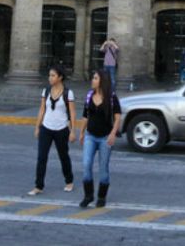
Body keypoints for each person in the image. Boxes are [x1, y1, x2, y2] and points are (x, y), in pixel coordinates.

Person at [28, 64, 76, 196]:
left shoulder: (68, 93)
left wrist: (72, 131)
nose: (50, 78)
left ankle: (69, 181)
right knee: (41, 157)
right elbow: (42, 109)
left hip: (61, 128)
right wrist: (37, 126)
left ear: (60, 77)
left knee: (63, 156)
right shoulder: (46, 91)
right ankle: (38, 186)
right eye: (49, 75)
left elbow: (72, 113)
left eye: (53, 75)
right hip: (46, 128)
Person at [78, 69, 121, 208]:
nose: (92, 80)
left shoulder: (111, 98)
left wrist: (113, 133)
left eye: (95, 78)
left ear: (102, 81)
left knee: (103, 168)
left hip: (105, 138)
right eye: (93, 78)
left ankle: (101, 197)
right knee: (86, 164)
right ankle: (88, 195)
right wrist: (81, 132)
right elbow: (85, 115)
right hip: (90, 136)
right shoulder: (89, 95)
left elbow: (117, 117)